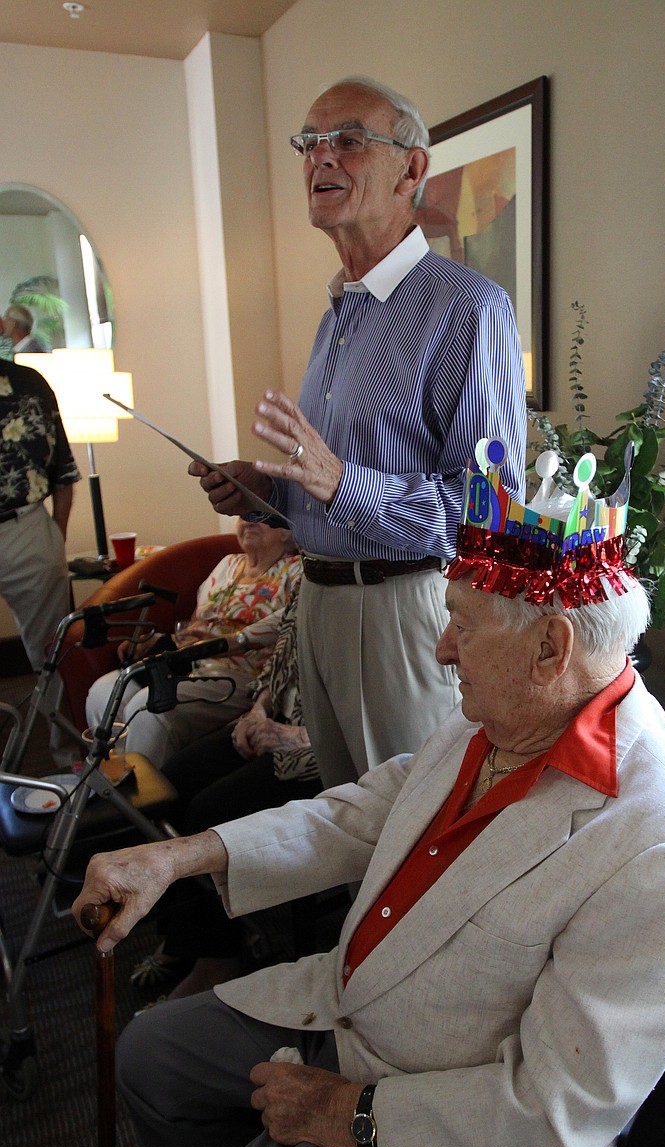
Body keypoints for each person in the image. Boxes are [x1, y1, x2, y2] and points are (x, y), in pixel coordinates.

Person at [73, 448, 665, 1147]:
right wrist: (176, 857)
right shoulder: (500, 714)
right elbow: (360, 811)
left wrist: (352, 1111)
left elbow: (555, 1115)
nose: (442, 649)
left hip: (440, 1133)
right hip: (348, 1009)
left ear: (550, 647)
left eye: (462, 623)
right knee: (149, 1057)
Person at [190, 75, 528, 788]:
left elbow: (490, 514)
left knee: (406, 828)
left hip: (400, 614)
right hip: (316, 604)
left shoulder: (469, 308)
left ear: (411, 169)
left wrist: (344, 482)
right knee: (343, 823)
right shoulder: (337, 314)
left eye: (347, 140)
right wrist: (264, 495)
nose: (321, 157)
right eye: (309, 143)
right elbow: (327, 492)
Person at [130, 584, 324, 1000]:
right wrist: (258, 712)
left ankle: (217, 962)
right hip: (276, 722)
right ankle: (181, 937)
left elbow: (360, 730)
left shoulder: (376, 598)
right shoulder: (315, 576)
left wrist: (289, 736)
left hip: (315, 753)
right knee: (170, 784)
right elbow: (282, 654)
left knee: (208, 813)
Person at [84, 518, 298, 767]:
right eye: (244, 516)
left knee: (149, 708)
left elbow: (289, 631)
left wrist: (222, 642)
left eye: (260, 517)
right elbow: (197, 623)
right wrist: (160, 640)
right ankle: (115, 776)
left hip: (242, 672)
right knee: (104, 691)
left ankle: (148, 790)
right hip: (187, 660)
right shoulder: (227, 564)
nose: (249, 522)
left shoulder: (296, 572)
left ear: (286, 531)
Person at [0, 356, 79, 682]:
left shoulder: (29, 383)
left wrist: (56, 538)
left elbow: (63, 467)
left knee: (53, 656)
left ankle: (58, 717)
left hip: (26, 528)